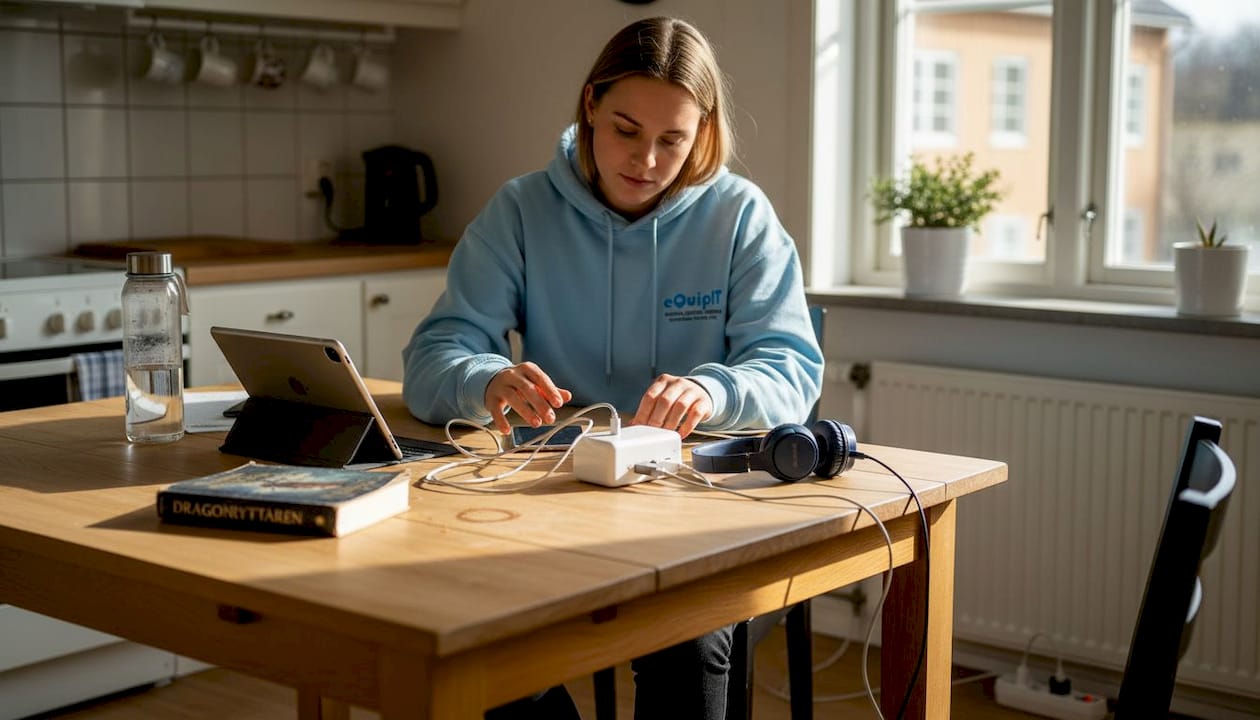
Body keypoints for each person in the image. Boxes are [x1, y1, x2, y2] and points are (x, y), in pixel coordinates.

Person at [402, 15, 823, 720]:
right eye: (627, 130)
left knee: (685, 639)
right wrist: (485, 378)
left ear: (703, 131)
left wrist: (713, 389)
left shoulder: (740, 216)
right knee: (480, 636)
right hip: (553, 501)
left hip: (696, 507)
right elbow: (433, 356)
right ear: (591, 104)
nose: (647, 160)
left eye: (672, 140)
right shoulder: (521, 210)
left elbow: (790, 371)